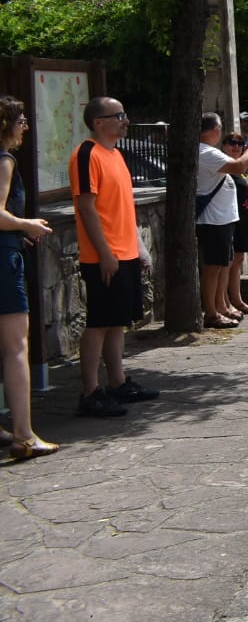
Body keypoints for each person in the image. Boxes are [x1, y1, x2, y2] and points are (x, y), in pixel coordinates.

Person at [70, 96, 160, 417]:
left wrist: (138, 249)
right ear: (99, 122)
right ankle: (91, 392)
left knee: (116, 322)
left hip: (125, 253)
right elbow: (86, 206)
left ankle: (117, 383)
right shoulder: (87, 154)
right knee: (99, 322)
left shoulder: (117, 155)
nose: (126, 121)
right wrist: (105, 253)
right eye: (119, 115)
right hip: (103, 256)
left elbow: (124, 208)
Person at [0, 96, 58, 459]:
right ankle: (24, 433)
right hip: (3, 261)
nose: (24, 127)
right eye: (20, 121)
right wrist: (26, 224)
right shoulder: (4, 160)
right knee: (16, 348)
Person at [198, 111, 248, 327]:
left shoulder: (208, 152)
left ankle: (221, 306)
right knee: (213, 267)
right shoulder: (206, 152)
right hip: (213, 220)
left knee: (223, 265)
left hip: (222, 220)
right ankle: (211, 313)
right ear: (214, 130)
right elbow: (239, 165)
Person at [221, 132, 248, 318]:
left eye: (240, 143)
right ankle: (226, 302)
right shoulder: (227, 165)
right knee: (228, 263)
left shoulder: (244, 167)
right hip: (232, 218)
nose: (236, 146)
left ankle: (237, 300)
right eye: (232, 143)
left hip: (245, 216)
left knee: (238, 260)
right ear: (224, 145)